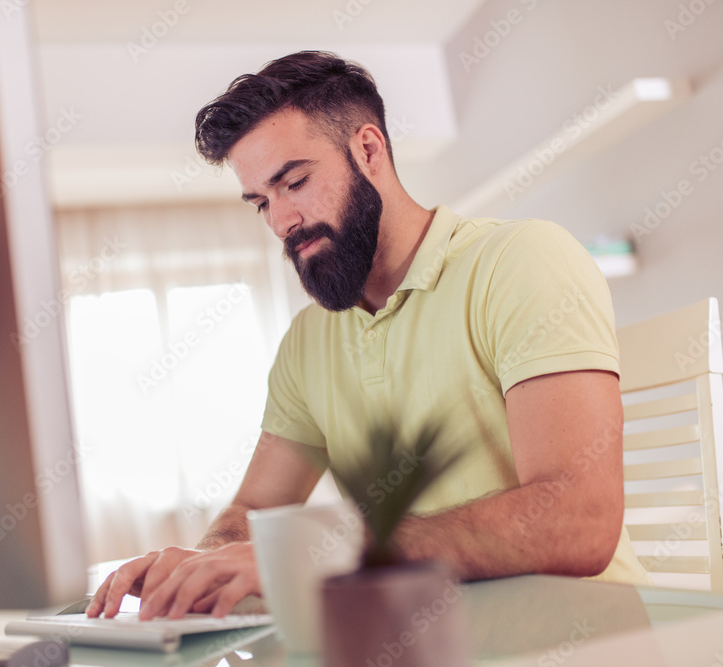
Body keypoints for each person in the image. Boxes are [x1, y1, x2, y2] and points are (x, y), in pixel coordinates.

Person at [86, 51, 652, 621]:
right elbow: (255, 508)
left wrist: (323, 554)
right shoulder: (308, 341)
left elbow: (578, 518)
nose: (281, 221)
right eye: (261, 202)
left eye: (296, 182)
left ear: (369, 150)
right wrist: (199, 564)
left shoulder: (520, 261)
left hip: (591, 637)